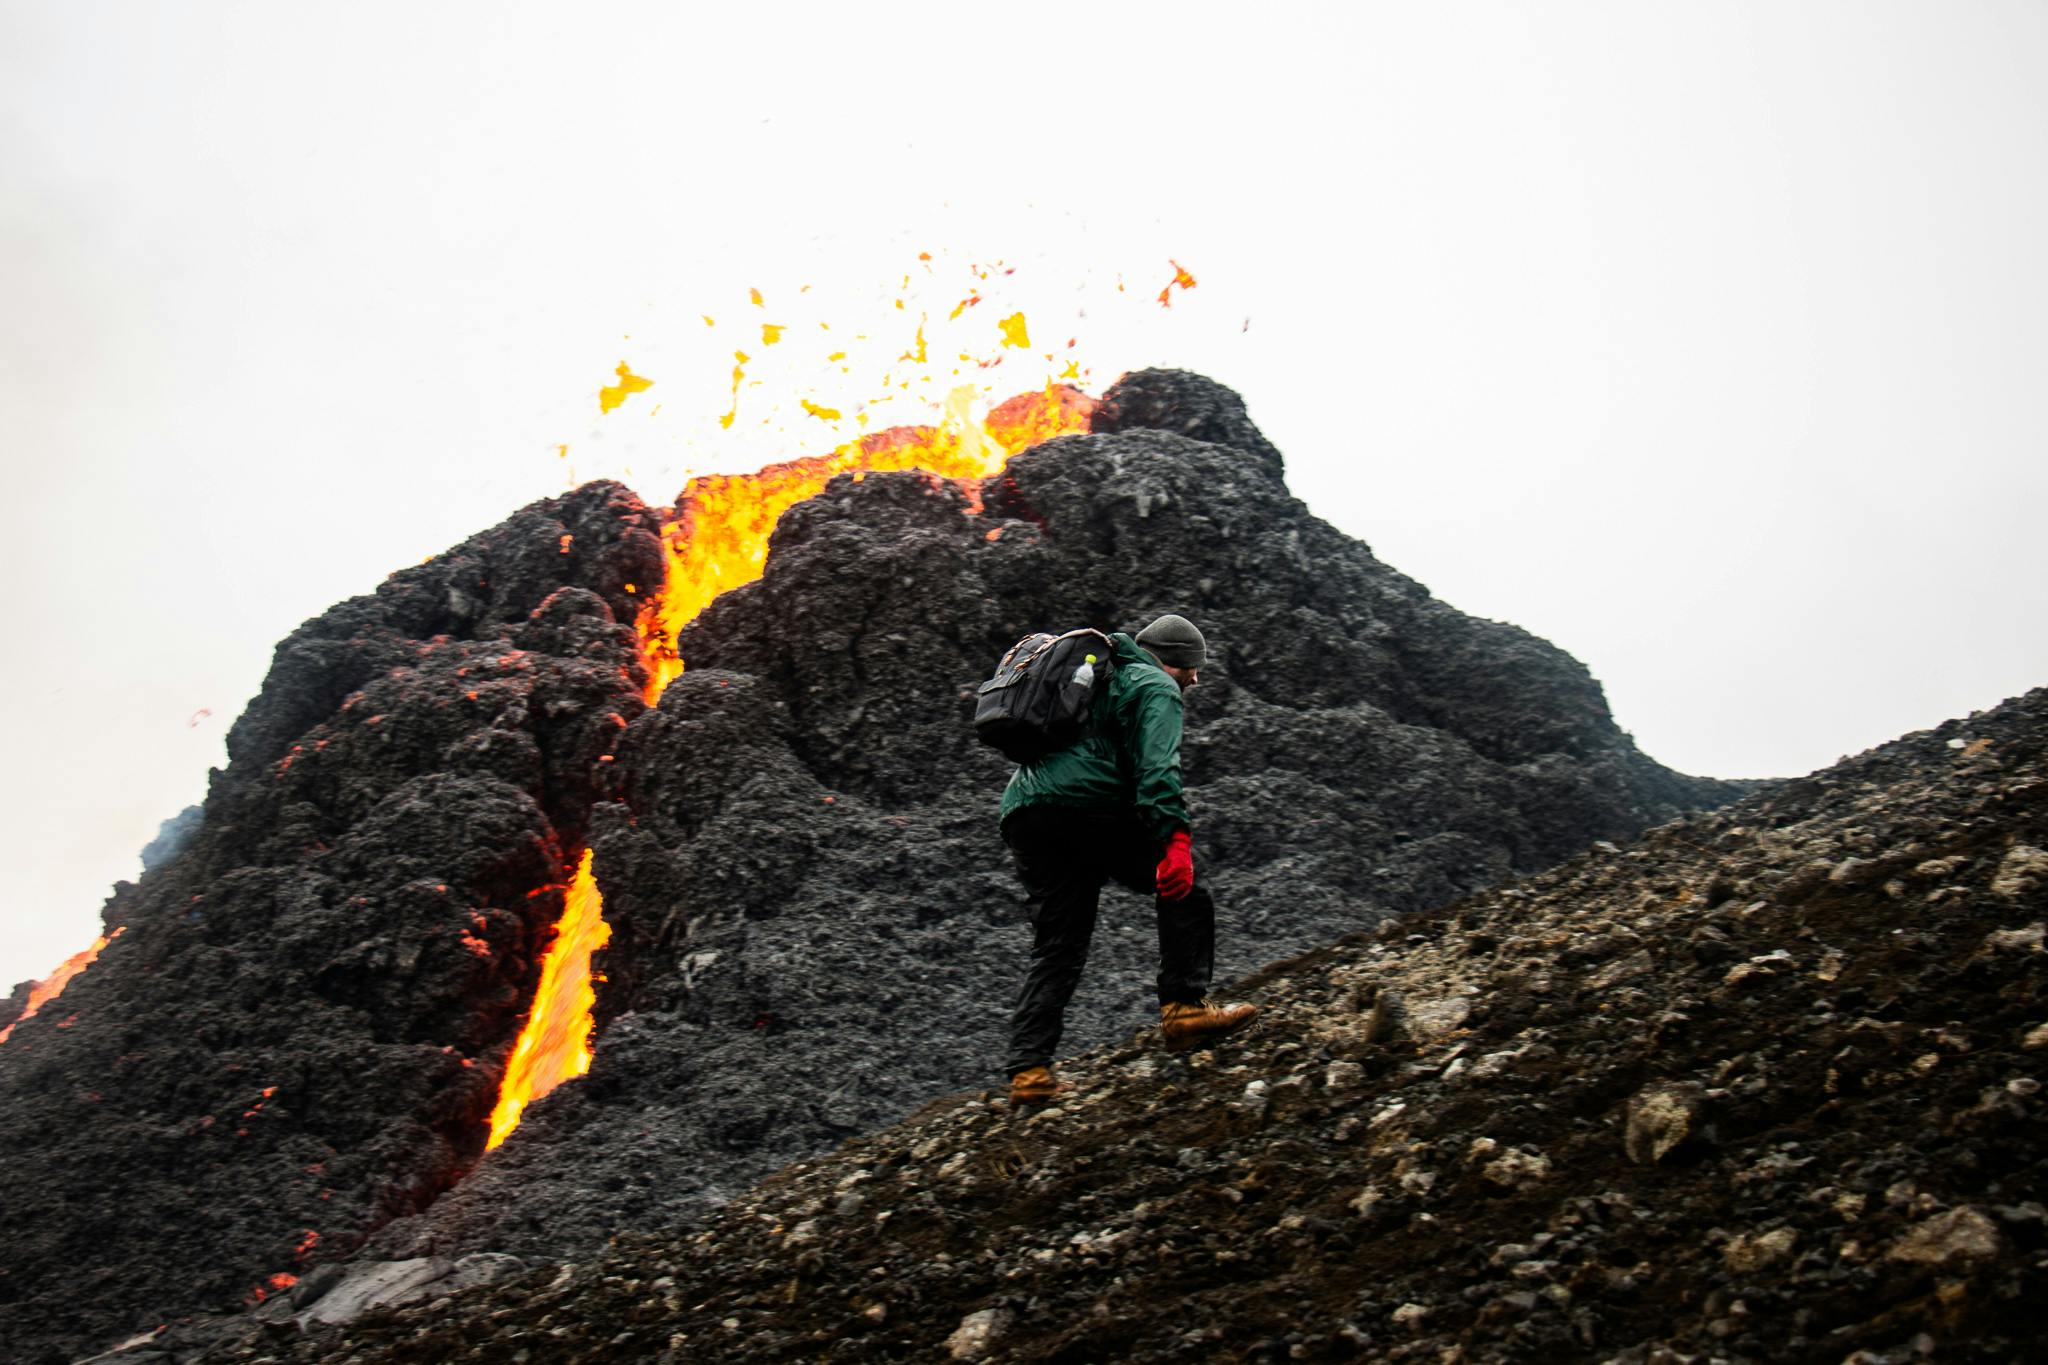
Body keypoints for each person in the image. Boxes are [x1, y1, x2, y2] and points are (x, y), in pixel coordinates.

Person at [999, 613, 1259, 1104]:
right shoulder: (1154, 686)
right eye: (1191, 667)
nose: (1195, 678)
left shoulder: (1099, 673)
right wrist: (1175, 843)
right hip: (1086, 806)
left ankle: (1029, 1073)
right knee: (1187, 892)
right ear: (1171, 661)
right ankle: (1185, 1010)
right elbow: (1158, 771)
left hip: (1025, 813)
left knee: (1060, 944)